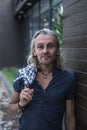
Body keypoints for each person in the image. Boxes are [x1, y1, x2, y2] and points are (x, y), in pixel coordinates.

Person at [8, 28, 76, 130]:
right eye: (40, 47)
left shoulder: (68, 78)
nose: (45, 51)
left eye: (50, 46)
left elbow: (70, 118)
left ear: (57, 50)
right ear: (34, 51)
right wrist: (21, 104)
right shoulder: (23, 76)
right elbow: (10, 110)